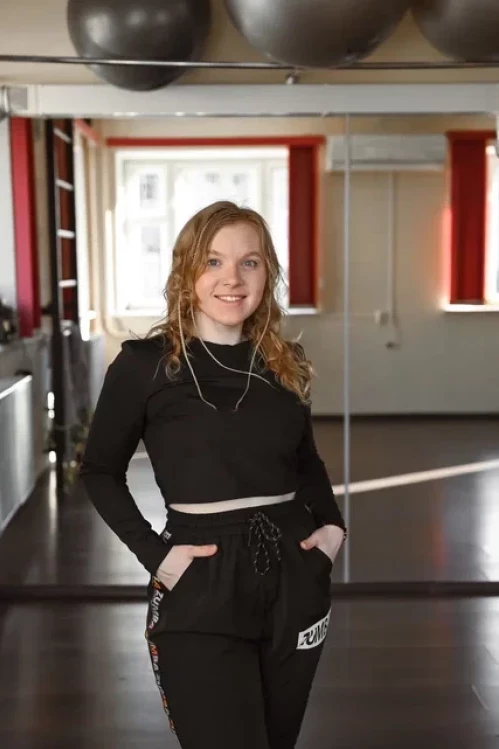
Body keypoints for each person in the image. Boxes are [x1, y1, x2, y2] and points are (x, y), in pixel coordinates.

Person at [78, 200, 347, 749]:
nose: (232, 278)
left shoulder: (286, 362)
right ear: (187, 272)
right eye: (213, 261)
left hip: (293, 571)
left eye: (250, 262)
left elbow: (306, 461)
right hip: (199, 574)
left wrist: (332, 530)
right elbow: (100, 471)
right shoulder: (145, 365)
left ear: (267, 273)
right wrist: (156, 556)